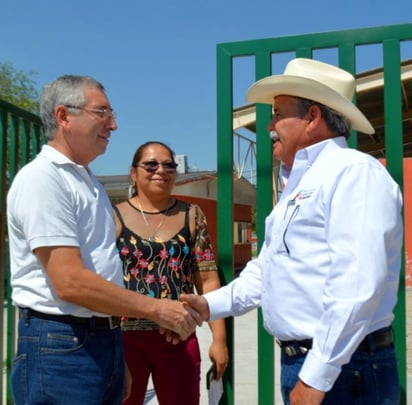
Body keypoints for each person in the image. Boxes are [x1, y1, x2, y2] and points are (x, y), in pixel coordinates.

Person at [182, 58, 403, 405]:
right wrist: (207, 305)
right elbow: (266, 271)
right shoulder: (301, 184)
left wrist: (316, 377)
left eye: (278, 112)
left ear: (312, 117)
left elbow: (358, 284)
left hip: (344, 370)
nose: (270, 124)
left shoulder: (353, 173)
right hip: (320, 364)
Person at [7, 76, 201, 405]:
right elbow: (69, 282)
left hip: (98, 340)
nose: (113, 124)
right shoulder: (43, 180)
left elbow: (100, 267)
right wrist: (157, 309)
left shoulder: (87, 183)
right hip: (62, 345)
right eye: (102, 113)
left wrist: (115, 355)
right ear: (63, 116)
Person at [113, 141, 228, 405]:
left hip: (179, 336)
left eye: (168, 165)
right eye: (151, 164)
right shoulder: (113, 218)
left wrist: (218, 339)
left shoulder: (192, 216)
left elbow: (208, 281)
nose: (160, 171)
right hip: (124, 339)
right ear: (133, 172)